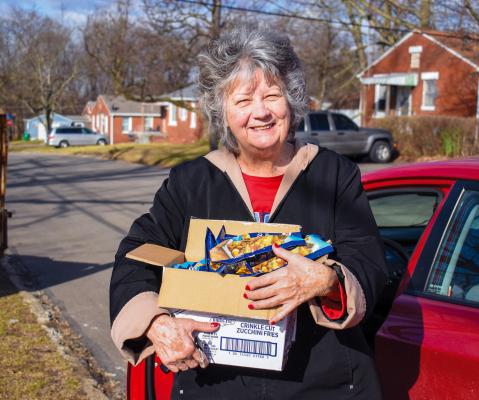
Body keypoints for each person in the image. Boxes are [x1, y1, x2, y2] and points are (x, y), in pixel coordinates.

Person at [110, 25, 388, 399]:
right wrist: (157, 323)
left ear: (291, 101)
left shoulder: (333, 175)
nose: (260, 113)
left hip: (325, 384)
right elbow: (138, 255)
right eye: (243, 101)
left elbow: (367, 259)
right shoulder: (191, 182)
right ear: (222, 112)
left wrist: (326, 281)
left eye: (272, 95)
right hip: (215, 382)